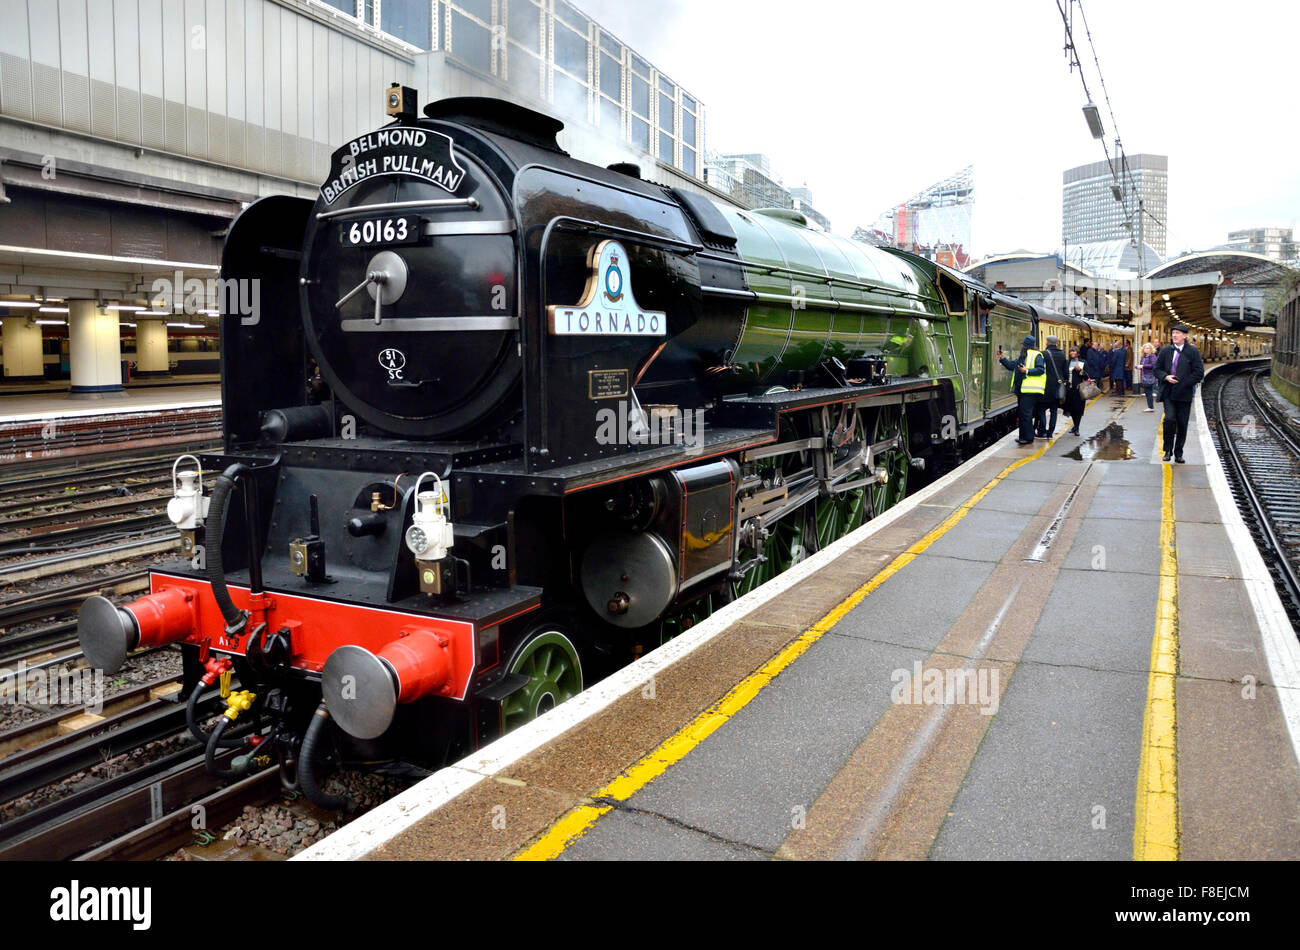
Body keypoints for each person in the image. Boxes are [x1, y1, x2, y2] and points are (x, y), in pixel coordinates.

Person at [1153, 324, 1205, 463]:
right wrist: (1165, 377)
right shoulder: (1166, 351)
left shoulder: (1192, 352)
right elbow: (1156, 369)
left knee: (1182, 423)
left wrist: (1184, 383)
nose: (1174, 335)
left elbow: (1199, 372)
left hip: (1184, 394)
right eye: (1173, 333)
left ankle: (1179, 453)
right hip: (1168, 392)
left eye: (1177, 333)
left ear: (1185, 336)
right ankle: (1167, 450)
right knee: (1169, 419)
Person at [1000, 334, 1047, 445]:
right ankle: (1023, 436)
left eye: (1023, 345)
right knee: (1023, 414)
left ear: (1026, 345)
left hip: (1030, 391)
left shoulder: (1037, 355)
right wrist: (1002, 358)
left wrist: (1026, 371)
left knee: (1026, 414)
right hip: (1022, 390)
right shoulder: (1023, 356)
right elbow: (1013, 366)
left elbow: (1041, 370)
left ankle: (1028, 438)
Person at [1039, 335, 1067, 438]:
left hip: (1045, 387)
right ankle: (1050, 432)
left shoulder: (1043, 354)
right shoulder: (1062, 355)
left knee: (1041, 409)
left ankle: (1042, 430)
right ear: (1057, 343)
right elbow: (1065, 372)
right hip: (1057, 387)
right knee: (1054, 411)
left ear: (1047, 342)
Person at [1064, 345, 1087, 436]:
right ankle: (1075, 425)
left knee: (1079, 409)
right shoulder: (1067, 362)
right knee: (1072, 409)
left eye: (1074, 351)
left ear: (1077, 353)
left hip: (1079, 389)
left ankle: (1077, 427)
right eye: (1070, 351)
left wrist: (1080, 371)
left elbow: (1087, 375)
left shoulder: (1083, 362)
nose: (1072, 353)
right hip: (1069, 389)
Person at [1138, 342, 1158, 411]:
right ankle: (1150, 406)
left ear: (1151, 349)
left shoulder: (1152, 356)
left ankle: (1150, 407)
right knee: (1147, 392)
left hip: (1149, 376)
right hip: (1145, 376)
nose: (1146, 349)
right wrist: (1139, 367)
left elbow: (1153, 365)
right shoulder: (1144, 357)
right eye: (1145, 348)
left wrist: (1143, 366)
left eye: (1148, 348)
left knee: (1148, 392)